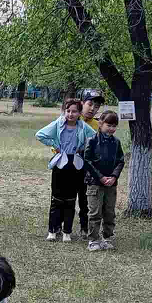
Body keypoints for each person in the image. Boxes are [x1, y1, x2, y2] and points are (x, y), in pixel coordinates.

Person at [35, 99, 96, 242]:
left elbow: (94, 138)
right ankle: (52, 230)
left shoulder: (83, 127)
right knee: (56, 198)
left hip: (75, 164)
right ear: (64, 111)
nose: (70, 114)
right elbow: (40, 134)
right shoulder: (58, 123)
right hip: (60, 163)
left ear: (80, 113)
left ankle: (67, 232)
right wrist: (54, 145)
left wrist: (83, 148)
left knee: (70, 199)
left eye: (74, 111)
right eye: (68, 111)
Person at [83, 110, 124, 251]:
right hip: (95, 183)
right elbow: (87, 161)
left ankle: (107, 238)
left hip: (111, 184)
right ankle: (93, 240)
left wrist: (113, 176)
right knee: (95, 212)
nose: (111, 128)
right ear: (100, 123)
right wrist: (100, 177)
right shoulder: (92, 140)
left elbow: (120, 161)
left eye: (114, 126)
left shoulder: (116, 142)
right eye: (109, 125)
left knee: (109, 212)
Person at [77, 89, 106, 236]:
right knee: (66, 198)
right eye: (90, 104)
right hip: (69, 165)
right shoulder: (71, 119)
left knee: (85, 199)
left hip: (88, 168)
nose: (92, 108)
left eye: (96, 106)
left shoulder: (98, 125)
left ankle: (84, 228)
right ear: (82, 103)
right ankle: (60, 227)